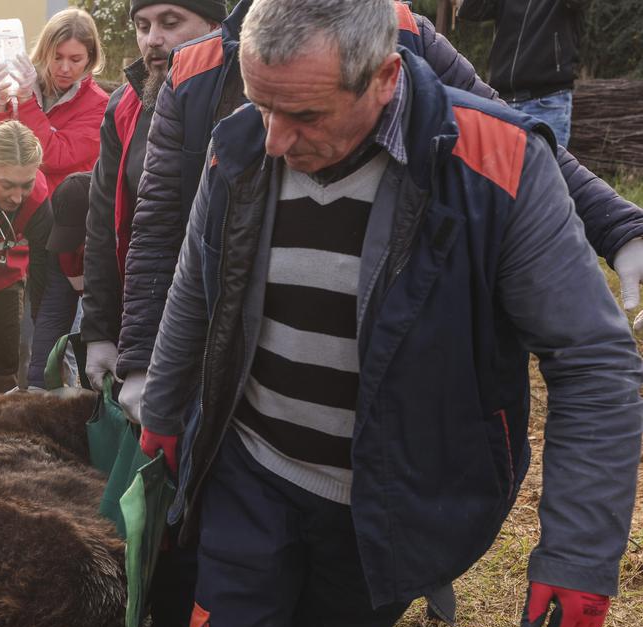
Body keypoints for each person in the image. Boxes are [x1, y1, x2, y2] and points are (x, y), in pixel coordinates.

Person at [138, 1, 643, 627]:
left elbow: (590, 362)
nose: (276, 139)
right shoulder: (240, 141)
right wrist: (161, 416)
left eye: (305, 117)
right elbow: (194, 286)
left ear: (383, 77)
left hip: (393, 506)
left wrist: (579, 553)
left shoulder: (496, 164)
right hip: (250, 475)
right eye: (261, 105)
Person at [120, 0, 643, 426]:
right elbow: (161, 222)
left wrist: (619, 228)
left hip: (374, 373)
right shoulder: (196, 68)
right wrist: (142, 360)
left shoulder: (403, 34)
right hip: (235, 372)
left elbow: (508, 145)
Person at [78, 0, 221, 395]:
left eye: (170, 23)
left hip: (214, 327)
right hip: (142, 325)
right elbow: (104, 224)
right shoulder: (123, 106)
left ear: (215, 26)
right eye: (142, 26)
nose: (152, 40)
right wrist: (99, 332)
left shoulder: (239, 101)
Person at [0, 8, 109, 195]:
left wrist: (26, 101)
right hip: (11, 207)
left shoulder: (99, 105)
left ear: (90, 58)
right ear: (44, 52)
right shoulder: (21, 85)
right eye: (57, 57)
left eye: (75, 59)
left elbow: (55, 157)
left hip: (60, 213)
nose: (65, 68)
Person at [0, 120, 54, 395]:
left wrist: (44, 332)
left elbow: (43, 273)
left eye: (25, 184)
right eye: (7, 185)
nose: (17, 197)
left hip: (5, 267)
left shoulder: (38, 198)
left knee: (4, 353)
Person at [457, 0, 582, 147]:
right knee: (497, 170)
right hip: (503, 104)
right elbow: (470, 10)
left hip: (546, 103)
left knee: (543, 170)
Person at [25, 171, 88, 389]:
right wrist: (38, 383)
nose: (72, 245)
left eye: (78, 235)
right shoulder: (62, 251)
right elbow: (54, 311)